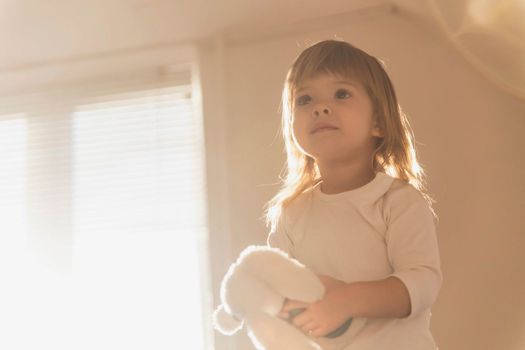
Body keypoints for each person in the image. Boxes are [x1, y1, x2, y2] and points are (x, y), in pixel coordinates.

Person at [265, 39, 442, 349]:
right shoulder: (291, 213)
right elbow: (277, 295)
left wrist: (346, 300)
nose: (320, 107)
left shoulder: (398, 201)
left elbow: (422, 283)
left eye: (341, 94)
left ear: (378, 123)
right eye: (304, 99)